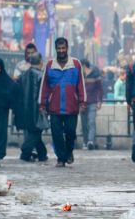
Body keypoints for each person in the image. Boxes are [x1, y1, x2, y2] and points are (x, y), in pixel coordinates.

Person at [39, 37, 86, 167]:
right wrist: (42, 104)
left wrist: (82, 102)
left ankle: (69, 151)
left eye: (63, 48)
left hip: (72, 107)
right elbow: (45, 87)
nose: (61, 51)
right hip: (54, 107)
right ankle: (60, 158)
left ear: (67, 49)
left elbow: (81, 84)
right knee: (57, 134)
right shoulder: (50, 65)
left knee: (71, 132)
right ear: (56, 49)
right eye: (59, 49)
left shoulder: (76, 64)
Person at [15, 52, 49, 162]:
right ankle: (26, 152)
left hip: (25, 109)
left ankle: (43, 154)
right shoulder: (41, 76)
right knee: (35, 133)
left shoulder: (23, 76)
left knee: (35, 133)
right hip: (38, 109)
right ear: (40, 62)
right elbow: (45, 94)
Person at [80, 59, 103, 150]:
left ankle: (90, 141)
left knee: (91, 121)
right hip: (82, 103)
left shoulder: (95, 74)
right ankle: (85, 142)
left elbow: (100, 88)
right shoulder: (80, 76)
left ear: (84, 66)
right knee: (84, 124)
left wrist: (99, 101)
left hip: (92, 102)